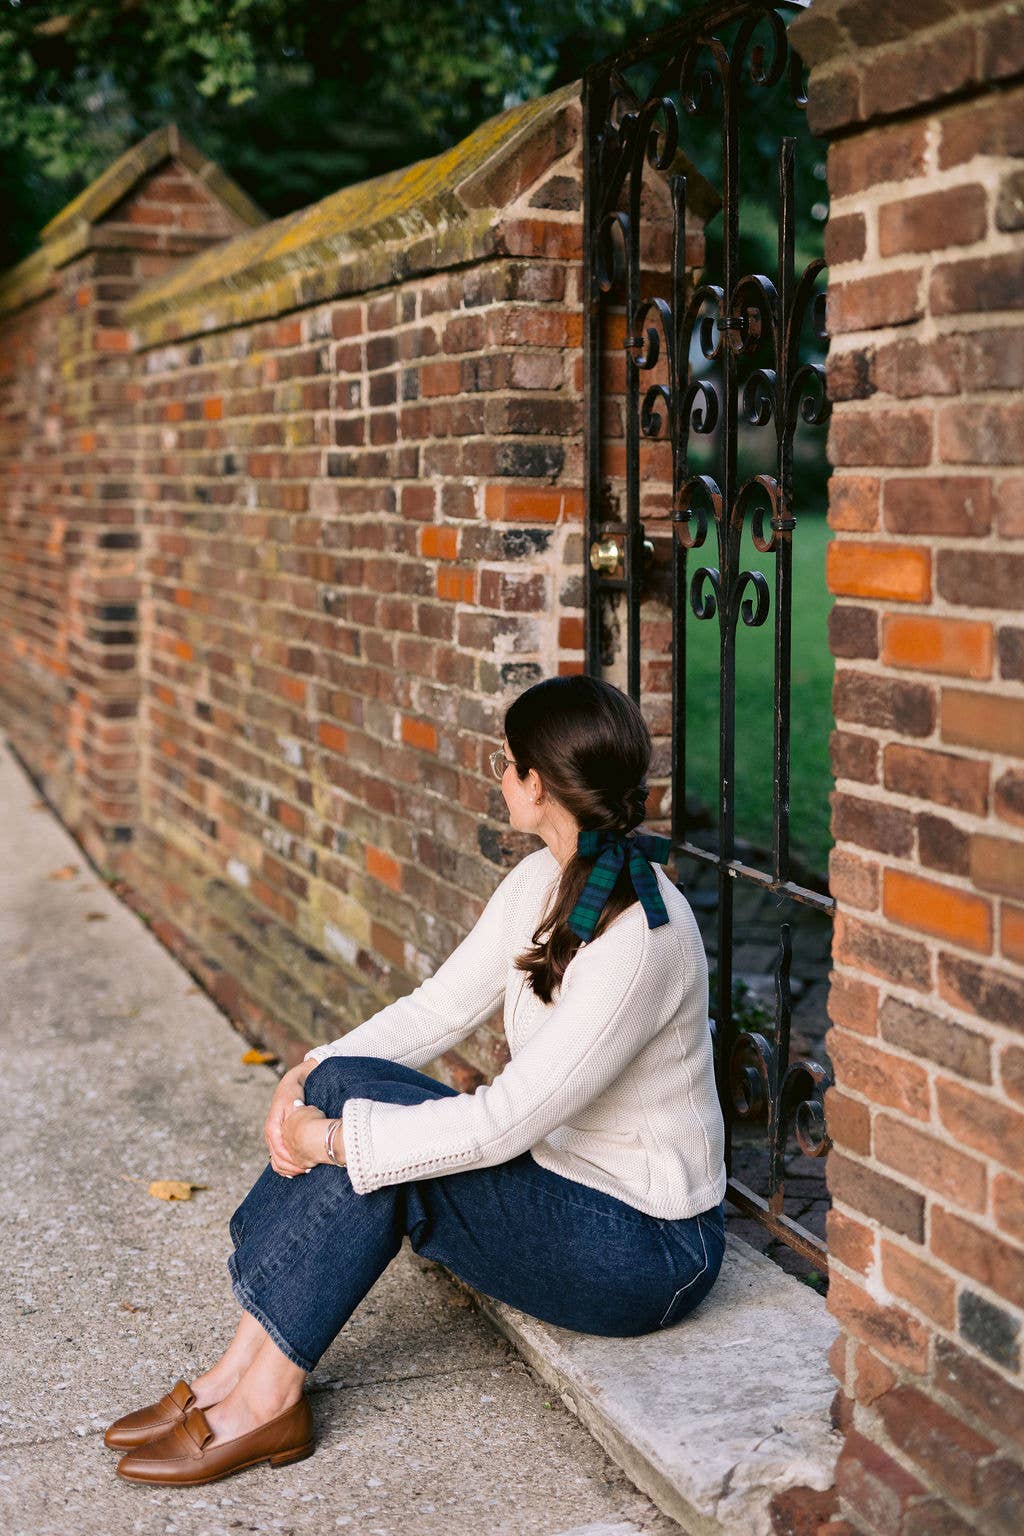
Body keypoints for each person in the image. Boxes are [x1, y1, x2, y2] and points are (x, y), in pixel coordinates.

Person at [105, 674, 727, 1486]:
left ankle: (266, 1397)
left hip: (647, 1250)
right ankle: (234, 1374)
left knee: (388, 1160)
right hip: (565, 1185)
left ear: (537, 784)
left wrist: (330, 1141)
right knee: (346, 1083)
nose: (498, 775)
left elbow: (501, 1123)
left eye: (504, 761)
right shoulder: (543, 881)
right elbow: (438, 1008)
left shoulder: (643, 939)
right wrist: (305, 1075)